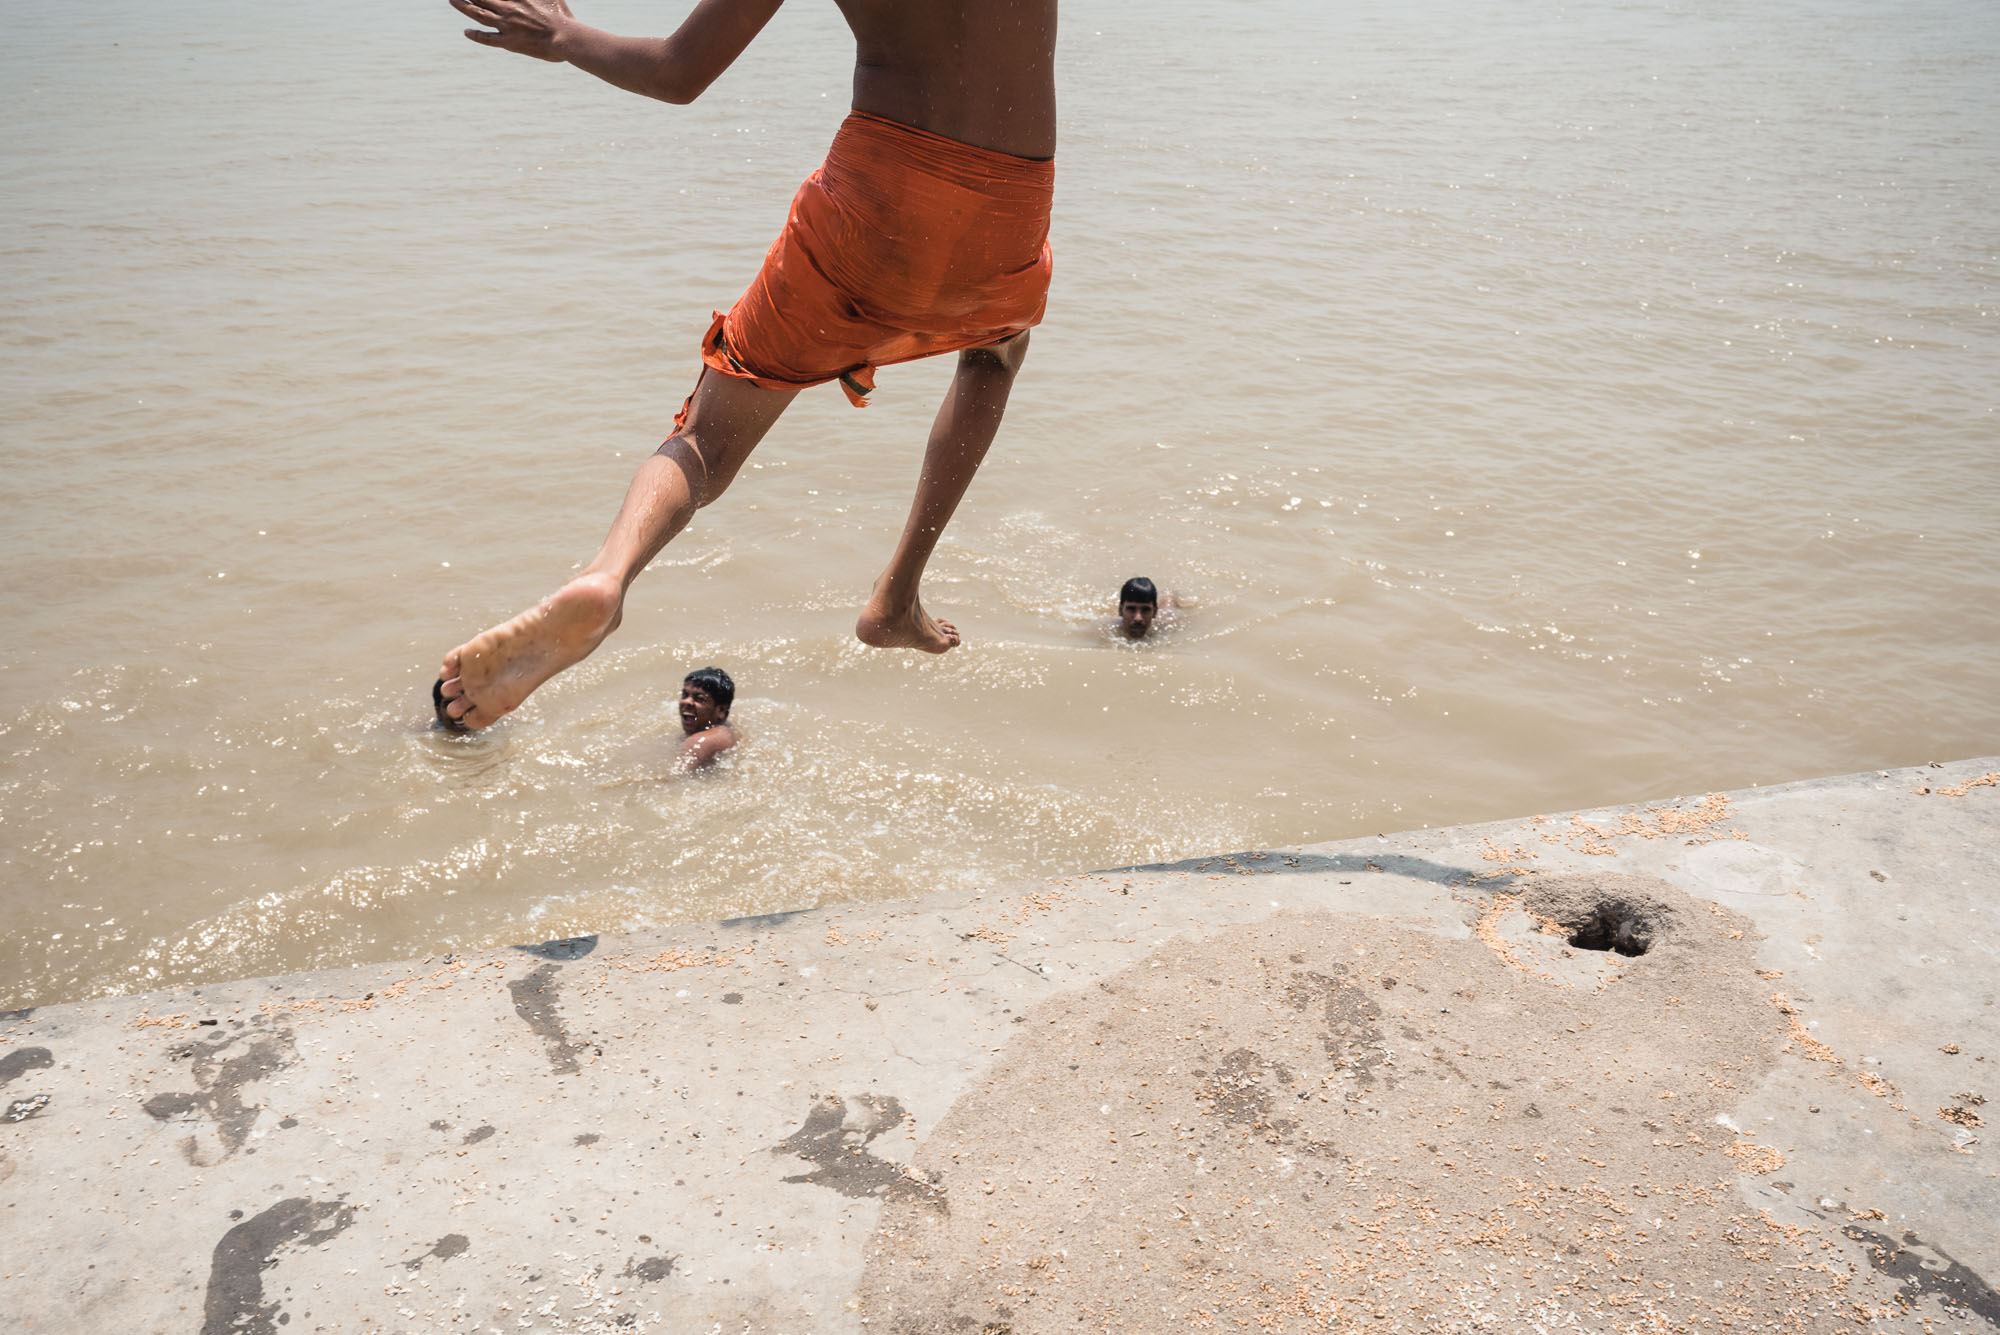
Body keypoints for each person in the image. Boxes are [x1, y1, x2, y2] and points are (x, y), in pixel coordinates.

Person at [431, 0, 1058, 731]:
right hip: (1010, 210)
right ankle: (897, 594)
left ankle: (609, 574)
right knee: (995, 352)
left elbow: (678, 72)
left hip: (873, 199)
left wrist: (566, 37)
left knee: (707, 441)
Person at [674, 666, 736, 773]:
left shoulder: (698, 742)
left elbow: (673, 778)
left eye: (699, 699)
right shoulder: (727, 729)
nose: (687, 702)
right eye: (685, 695)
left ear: (721, 711)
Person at [1113, 576, 1177, 640]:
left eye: (1146, 609)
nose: (1138, 618)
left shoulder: (1166, 625)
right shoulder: (1108, 627)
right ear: (1120, 610)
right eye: (1131, 609)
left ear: (1154, 612)